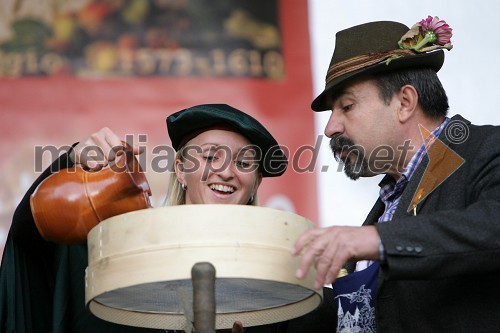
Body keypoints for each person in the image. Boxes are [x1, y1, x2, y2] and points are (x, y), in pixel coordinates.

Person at [0, 103, 288, 333]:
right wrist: (73, 159)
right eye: (211, 157)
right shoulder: (123, 249)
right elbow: (29, 239)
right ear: (180, 169)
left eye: (243, 162)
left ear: (256, 183)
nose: (226, 172)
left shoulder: (276, 282)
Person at [291, 17, 500, 332]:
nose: (330, 127)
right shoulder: (387, 206)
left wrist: (375, 240)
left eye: (346, 107)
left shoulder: (487, 148)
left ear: (405, 102)